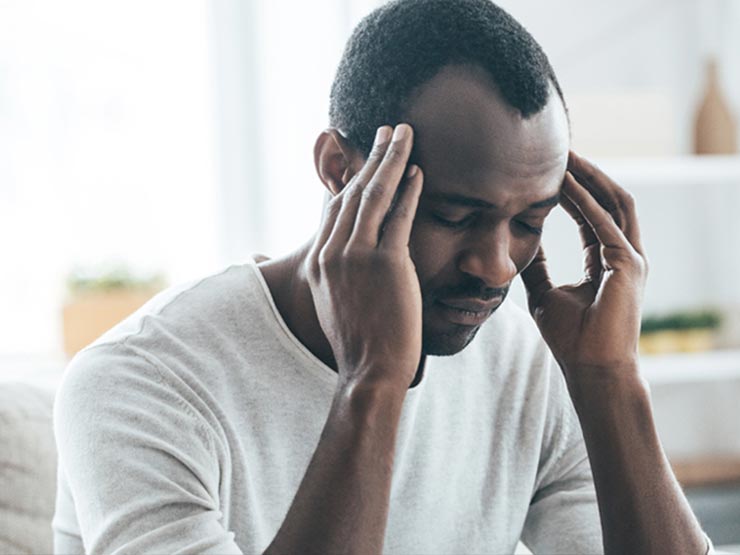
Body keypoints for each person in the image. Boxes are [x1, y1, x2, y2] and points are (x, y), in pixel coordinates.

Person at [53, 1, 715, 554]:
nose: (495, 266)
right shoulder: (137, 383)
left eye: (530, 221)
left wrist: (610, 383)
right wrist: (372, 381)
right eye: (454, 215)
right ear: (341, 170)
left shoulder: (524, 360)